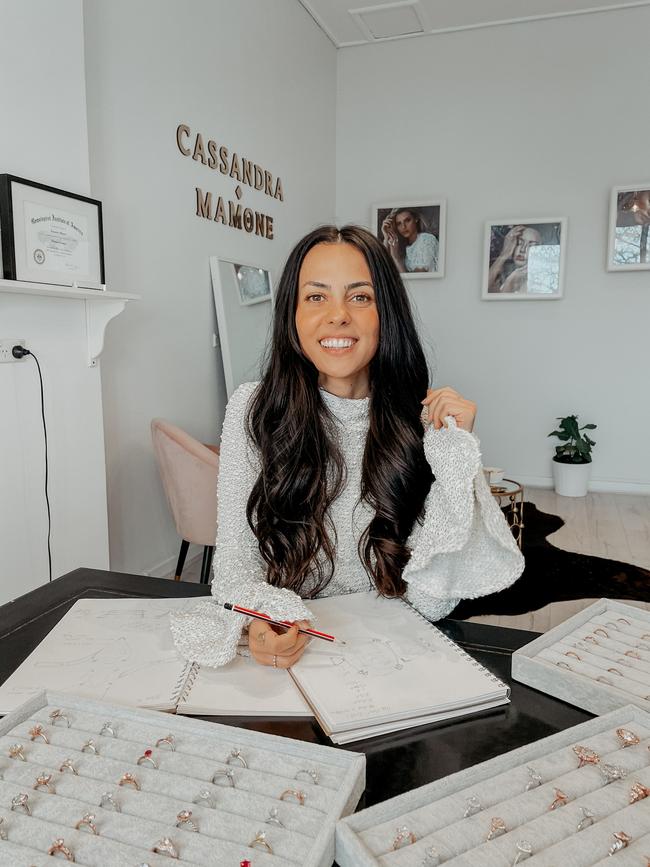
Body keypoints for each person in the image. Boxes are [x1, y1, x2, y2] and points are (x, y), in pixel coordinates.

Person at [171, 225, 524, 668]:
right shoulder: (254, 409)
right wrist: (260, 621)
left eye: (360, 296)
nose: (337, 315)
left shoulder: (426, 422)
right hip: (300, 656)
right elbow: (237, 565)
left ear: (385, 313)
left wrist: (456, 455)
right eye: (316, 296)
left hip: (392, 658)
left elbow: (432, 605)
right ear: (292, 315)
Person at [381, 208, 439, 273]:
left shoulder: (426, 240)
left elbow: (415, 280)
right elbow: (382, 269)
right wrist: (386, 237)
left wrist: (396, 258)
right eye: (399, 223)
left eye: (407, 220)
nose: (403, 227)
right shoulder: (402, 246)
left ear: (416, 219)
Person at [487, 225, 542, 293]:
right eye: (519, 243)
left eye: (531, 246)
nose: (522, 249)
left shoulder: (538, 284)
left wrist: (509, 283)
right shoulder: (503, 277)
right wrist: (505, 253)